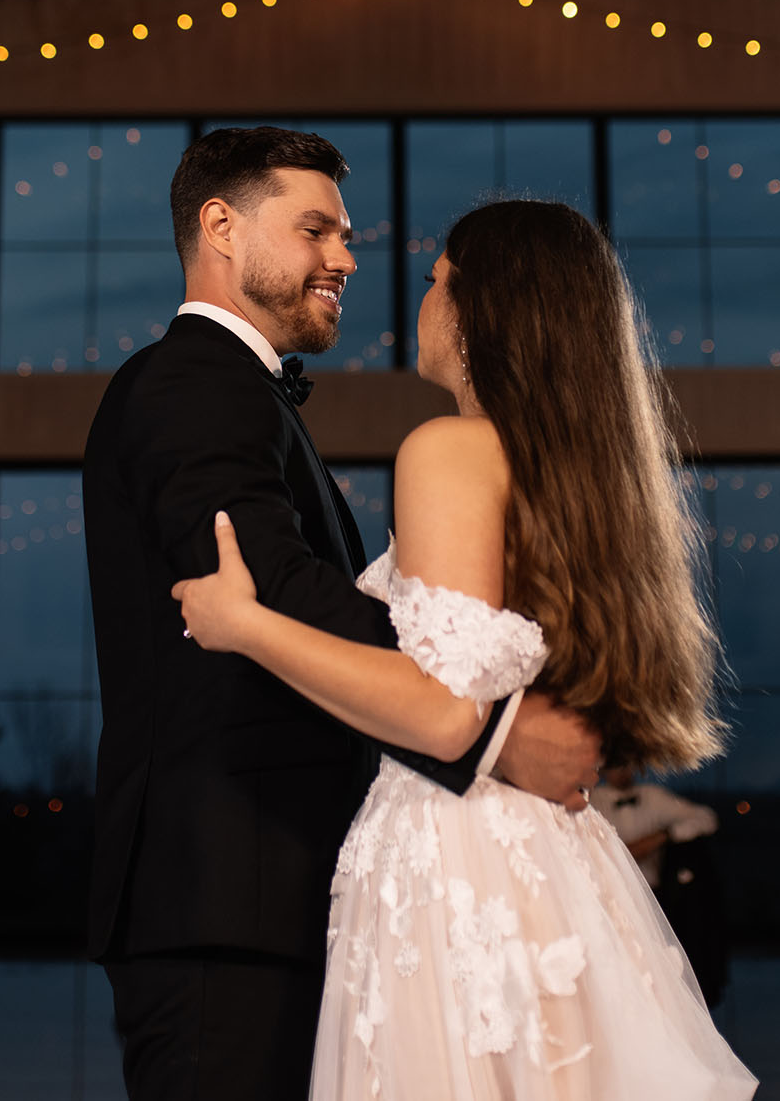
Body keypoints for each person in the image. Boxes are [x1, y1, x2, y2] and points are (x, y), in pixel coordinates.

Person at [175, 196, 754, 1097]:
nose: (423, 297)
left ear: (486, 307)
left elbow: (446, 713)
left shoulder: (448, 450)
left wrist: (244, 624)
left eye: (439, 279)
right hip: (552, 863)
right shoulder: (582, 475)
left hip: (458, 863)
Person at [83, 133, 610, 1101]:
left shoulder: (248, 397)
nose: (348, 258)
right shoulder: (191, 379)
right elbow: (268, 585)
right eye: (315, 227)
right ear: (220, 226)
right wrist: (485, 726)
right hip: (225, 897)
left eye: (346, 233)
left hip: (275, 894)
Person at [594, 757, 719, 890]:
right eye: (615, 765)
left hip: (656, 892)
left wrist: (664, 835)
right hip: (608, 890)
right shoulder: (593, 800)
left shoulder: (653, 796)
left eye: (627, 763)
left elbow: (707, 818)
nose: (622, 770)